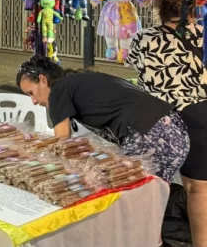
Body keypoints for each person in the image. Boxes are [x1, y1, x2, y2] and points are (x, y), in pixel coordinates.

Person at [16, 55, 189, 183]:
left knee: (137, 194)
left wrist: (43, 168)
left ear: (43, 80)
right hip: (174, 130)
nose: (33, 101)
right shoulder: (77, 82)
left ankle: (144, 233)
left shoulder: (59, 90)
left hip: (151, 134)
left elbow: (62, 142)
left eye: (31, 92)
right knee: (151, 195)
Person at [126, 0, 207, 246]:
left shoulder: (143, 38)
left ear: (161, 9)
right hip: (201, 112)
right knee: (200, 188)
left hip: (165, 119)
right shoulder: (203, 34)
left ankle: (149, 239)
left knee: (156, 186)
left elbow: (132, 66)